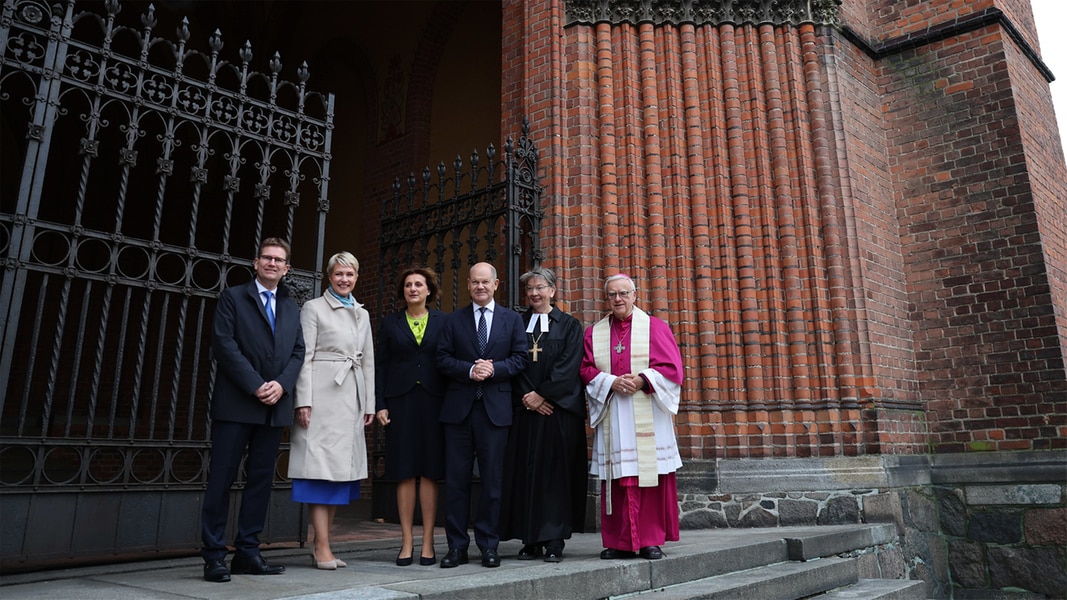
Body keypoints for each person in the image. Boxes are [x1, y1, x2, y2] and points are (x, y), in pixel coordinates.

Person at [200, 237, 306, 583]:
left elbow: (297, 352)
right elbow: (224, 344)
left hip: (273, 408)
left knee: (260, 482)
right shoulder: (233, 298)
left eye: (279, 260)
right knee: (221, 480)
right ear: (256, 262)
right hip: (236, 405)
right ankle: (214, 555)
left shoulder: (292, 307)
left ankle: (248, 551)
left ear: (287, 268)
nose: (273, 263)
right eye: (267, 258)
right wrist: (256, 383)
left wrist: (282, 385)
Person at [580, 273, 684, 561]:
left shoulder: (655, 328)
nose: (618, 299)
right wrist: (610, 382)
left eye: (624, 293)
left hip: (647, 411)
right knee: (617, 479)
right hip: (614, 411)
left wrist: (642, 380)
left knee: (648, 479)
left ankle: (650, 540)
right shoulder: (594, 333)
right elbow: (586, 369)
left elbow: (672, 369)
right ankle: (619, 542)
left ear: (634, 295)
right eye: (612, 294)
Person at [436, 262, 528, 568]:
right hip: (459, 413)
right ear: (468, 285)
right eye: (475, 282)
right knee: (457, 482)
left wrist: (493, 369)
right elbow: (442, 359)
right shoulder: (453, 320)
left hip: (495, 413)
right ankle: (457, 547)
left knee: (492, 482)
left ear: (496, 284)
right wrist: (469, 370)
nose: (480, 287)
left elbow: (519, 359)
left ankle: (489, 545)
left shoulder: (512, 320)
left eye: (485, 282)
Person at [288, 252, 375, 570]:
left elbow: (367, 361)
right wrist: (303, 400)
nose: (344, 280)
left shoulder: (362, 313)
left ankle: (323, 543)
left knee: (340, 475)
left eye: (350, 275)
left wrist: (369, 404)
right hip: (322, 398)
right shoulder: (313, 308)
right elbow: (305, 356)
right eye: (339, 274)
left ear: (356, 277)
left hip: (350, 398)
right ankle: (321, 545)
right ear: (329, 276)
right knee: (319, 472)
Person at [499, 267, 587, 562]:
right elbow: (512, 361)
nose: (534, 294)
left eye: (540, 288)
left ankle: (553, 539)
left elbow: (569, 365)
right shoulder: (516, 323)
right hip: (525, 411)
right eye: (530, 289)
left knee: (554, 476)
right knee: (525, 473)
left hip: (557, 412)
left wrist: (543, 395)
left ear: (553, 290)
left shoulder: (570, 326)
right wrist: (528, 398)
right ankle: (530, 538)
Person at [375, 267, 447, 566]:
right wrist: (380, 404)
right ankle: (406, 542)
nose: (413, 289)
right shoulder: (390, 323)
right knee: (404, 471)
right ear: (402, 291)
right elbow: (380, 366)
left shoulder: (445, 321)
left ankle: (428, 542)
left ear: (429, 290)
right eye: (408, 285)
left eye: (419, 284)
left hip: (434, 403)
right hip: (400, 403)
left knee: (429, 471)